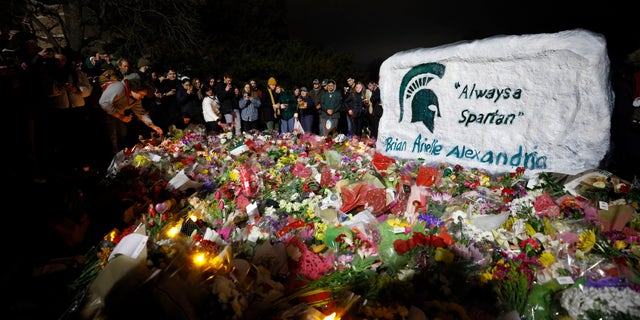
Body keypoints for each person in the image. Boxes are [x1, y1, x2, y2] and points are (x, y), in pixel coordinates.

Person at [99, 78, 163, 155]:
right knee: (112, 137)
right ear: (135, 90)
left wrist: (152, 125)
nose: (142, 97)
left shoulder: (136, 99)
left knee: (122, 133)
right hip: (104, 113)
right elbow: (104, 103)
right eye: (141, 94)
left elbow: (140, 113)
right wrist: (120, 116)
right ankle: (112, 157)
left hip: (117, 115)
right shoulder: (119, 88)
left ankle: (121, 155)